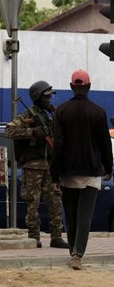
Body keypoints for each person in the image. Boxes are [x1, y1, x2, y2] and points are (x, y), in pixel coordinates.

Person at [51, 69, 113, 270]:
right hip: (91, 172)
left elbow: (58, 144)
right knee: (84, 216)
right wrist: (108, 166)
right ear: (89, 87)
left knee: (70, 216)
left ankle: (72, 252)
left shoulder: (61, 111)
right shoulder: (98, 112)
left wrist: (54, 175)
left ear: (71, 87)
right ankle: (78, 255)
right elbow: (105, 143)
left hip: (68, 172)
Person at [4, 80, 69, 249]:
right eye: (46, 97)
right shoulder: (27, 115)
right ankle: (34, 237)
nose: (49, 100)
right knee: (32, 203)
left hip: (50, 166)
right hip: (33, 167)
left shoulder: (51, 115)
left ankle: (56, 237)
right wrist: (32, 132)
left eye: (50, 96)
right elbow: (9, 130)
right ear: (38, 97)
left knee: (55, 202)